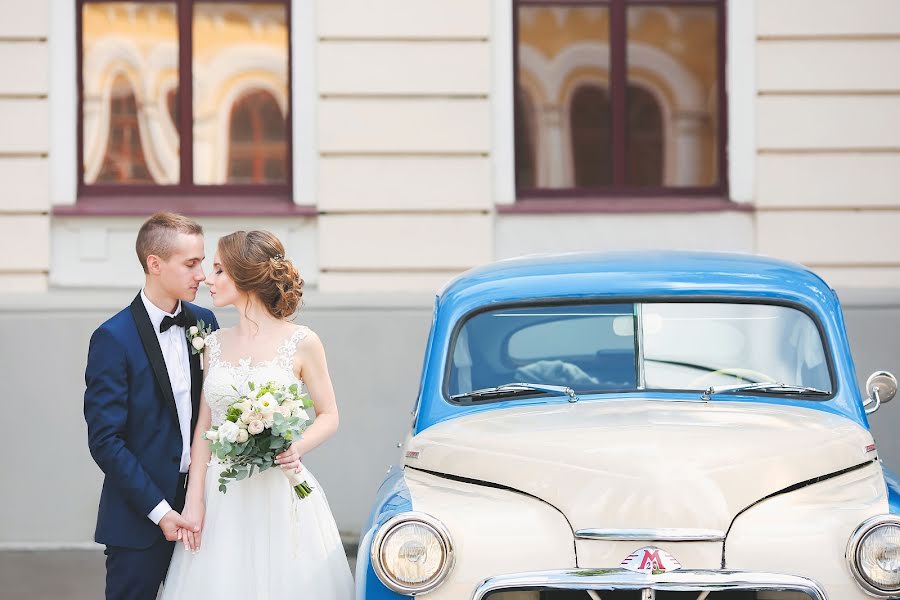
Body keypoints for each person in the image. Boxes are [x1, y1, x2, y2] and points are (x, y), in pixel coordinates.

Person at [160, 230, 354, 598]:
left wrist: (296, 445)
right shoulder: (213, 344)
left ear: (245, 277)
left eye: (218, 271)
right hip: (224, 497)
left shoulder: (303, 341)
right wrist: (194, 499)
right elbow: (205, 426)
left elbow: (329, 414)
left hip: (279, 490)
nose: (207, 280)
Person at [84, 212, 219, 599]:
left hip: (205, 509)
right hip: (139, 519)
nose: (202, 274)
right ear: (154, 264)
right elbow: (106, 441)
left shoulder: (206, 323)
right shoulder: (112, 338)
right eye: (191, 263)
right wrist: (159, 511)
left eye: (202, 261)